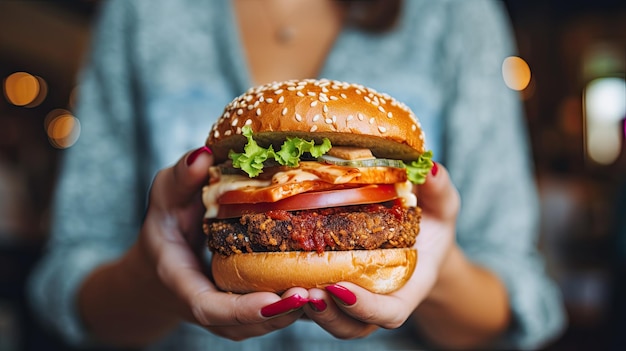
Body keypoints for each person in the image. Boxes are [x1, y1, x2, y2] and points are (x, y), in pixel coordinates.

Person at [28, 0, 566, 350]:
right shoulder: (140, 14)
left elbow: (514, 289)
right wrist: (152, 275)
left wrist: (440, 267)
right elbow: (72, 279)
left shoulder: (457, 15)